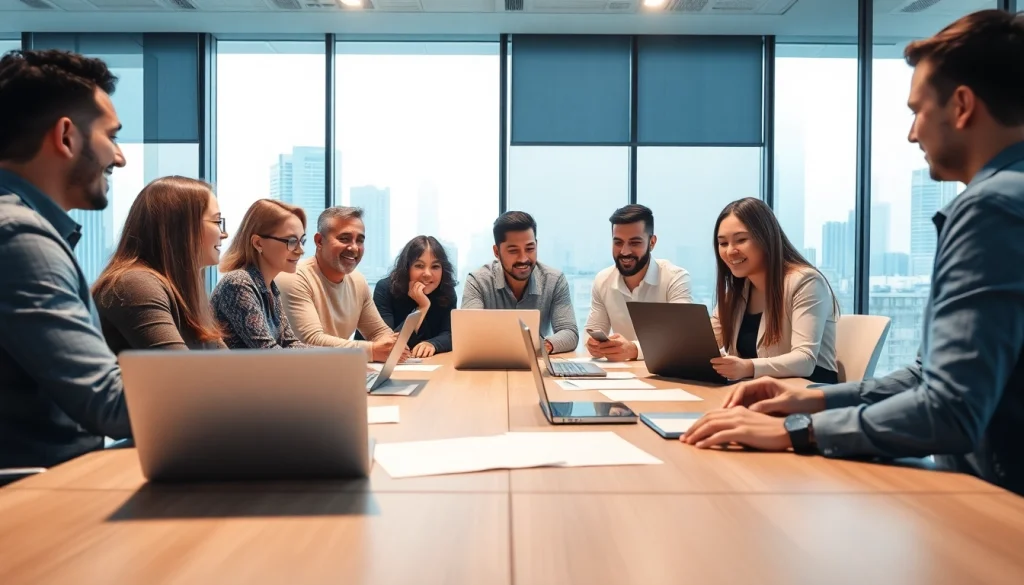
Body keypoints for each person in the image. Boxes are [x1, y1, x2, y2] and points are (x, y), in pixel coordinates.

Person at [682, 9, 1024, 497]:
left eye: (917, 111)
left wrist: (795, 430)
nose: (912, 134)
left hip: (999, 504)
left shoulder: (992, 208)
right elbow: (929, 375)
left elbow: (950, 409)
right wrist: (814, 402)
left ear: (963, 105)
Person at [0, 49, 131, 468]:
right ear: (66, 136)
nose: (120, 156)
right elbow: (110, 404)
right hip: (38, 501)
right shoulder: (19, 236)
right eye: (111, 136)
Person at [709, 197, 839, 384]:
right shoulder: (737, 292)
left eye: (741, 240)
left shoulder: (805, 281)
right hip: (757, 389)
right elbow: (707, 343)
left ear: (766, 238)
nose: (730, 251)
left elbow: (805, 360)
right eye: (723, 243)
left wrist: (747, 367)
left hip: (807, 390)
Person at [92, 176, 227, 353]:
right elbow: (182, 374)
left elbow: (225, 366)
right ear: (183, 228)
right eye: (217, 222)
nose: (224, 234)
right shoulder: (135, 284)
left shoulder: (185, 292)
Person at [277, 207, 404, 363]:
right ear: (319, 241)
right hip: (298, 376)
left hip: (335, 371)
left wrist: (391, 345)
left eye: (360, 240)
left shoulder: (358, 280)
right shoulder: (294, 277)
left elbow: (378, 332)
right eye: (344, 238)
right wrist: (371, 351)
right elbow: (310, 341)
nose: (354, 247)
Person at [585, 204, 692, 361]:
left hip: (666, 373)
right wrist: (595, 346)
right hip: (623, 375)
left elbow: (684, 337)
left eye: (635, 243)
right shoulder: (602, 280)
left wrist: (634, 350)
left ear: (652, 242)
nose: (625, 251)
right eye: (618, 242)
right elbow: (595, 330)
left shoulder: (675, 278)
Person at [462, 211, 579, 354]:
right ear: (496, 252)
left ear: (537, 245)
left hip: (535, 364)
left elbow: (569, 332)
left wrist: (543, 346)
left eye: (530, 248)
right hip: (489, 367)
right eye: (513, 251)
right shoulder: (478, 281)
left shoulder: (554, 280)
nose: (523, 258)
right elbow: (469, 334)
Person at [211, 199, 309, 349]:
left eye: (302, 241)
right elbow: (268, 352)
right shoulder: (238, 283)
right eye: (291, 241)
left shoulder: (269, 287)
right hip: (235, 373)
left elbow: (289, 343)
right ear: (258, 243)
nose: (301, 250)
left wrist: (337, 356)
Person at [370, 235, 458, 358]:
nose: (427, 274)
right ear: (406, 268)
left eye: (435, 267)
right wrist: (422, 307)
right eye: (419, 266)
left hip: (430, 364)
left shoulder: (446, 291)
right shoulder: (385, 289)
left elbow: (451, 334)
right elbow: (388, 344)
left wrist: (433, 344)